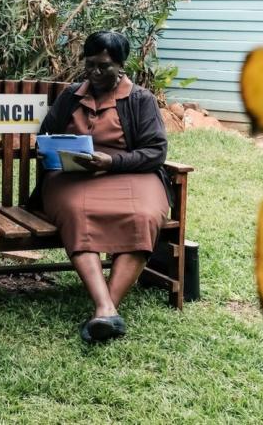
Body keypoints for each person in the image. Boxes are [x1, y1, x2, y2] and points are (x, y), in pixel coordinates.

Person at [32, 31, 171, 343]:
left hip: (132, 173)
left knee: (144, 216)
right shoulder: (70, 96)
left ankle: (105, 311)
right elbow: (46, 133)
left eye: (104, 66)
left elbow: (155, 152)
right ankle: (105, 307)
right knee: (76, 213)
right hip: (74, 176)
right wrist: (49, 149)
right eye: (90, 65)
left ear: (121, 66)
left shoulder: (140, 100)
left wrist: (111, 162)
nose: (95, 73)